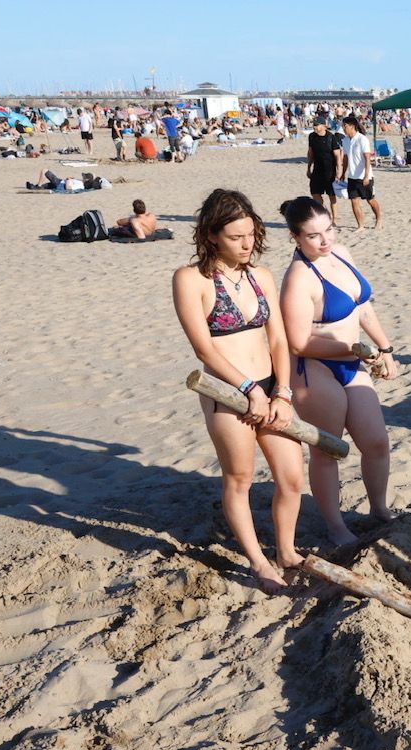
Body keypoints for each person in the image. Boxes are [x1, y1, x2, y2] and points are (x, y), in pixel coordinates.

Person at [171, 189, 303, 594]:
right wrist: (248, 390)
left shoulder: (260, 275)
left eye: (251, 234)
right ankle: (259, 562)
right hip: (227, 394)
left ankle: (286, 550)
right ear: (211, 235)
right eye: (235, 237)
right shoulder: (190, 279)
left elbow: (279, 341)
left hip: (270, 387)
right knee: (240, 478)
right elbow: (203, 348)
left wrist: (281, 392)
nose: (247, 244)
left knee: (293, 477)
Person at [278, 197, 398, 546]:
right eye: (314, 236)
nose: (325, 240)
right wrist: (354, 349)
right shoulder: (299, 278)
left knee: (376, 442)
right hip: (313, 367)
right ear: (295, 237)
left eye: (328, 229)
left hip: (352, 360)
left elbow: (363, 307)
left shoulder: (341, 252)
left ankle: (378, 509)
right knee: (328, 450)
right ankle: (335, 526)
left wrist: (385, 348)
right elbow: (299, 343)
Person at [339, 116, 381, 231]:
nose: (343, 128)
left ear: (352, 126)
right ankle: (360, 225)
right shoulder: (345, 140)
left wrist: (367, 176)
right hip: (352, 177)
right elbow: (346, 158)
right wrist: (343, 173)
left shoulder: (362, 139)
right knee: (354, 201)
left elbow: (367, 158)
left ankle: (379, 220)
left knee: (370, 200)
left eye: (345, 126)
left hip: (364, 176)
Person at [306, 115, 342, 223]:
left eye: (317, 125)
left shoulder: (331, 137)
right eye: (314, 125)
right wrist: (308, 168)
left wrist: (339, 170)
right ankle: (324, 213)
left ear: (324, 126)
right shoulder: (312, 137)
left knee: (332, 195)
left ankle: (334, 219)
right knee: (315, 193)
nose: (315, 127)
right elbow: (310, 153)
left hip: (329, 171)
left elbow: (337, 155)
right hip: (317, 169)